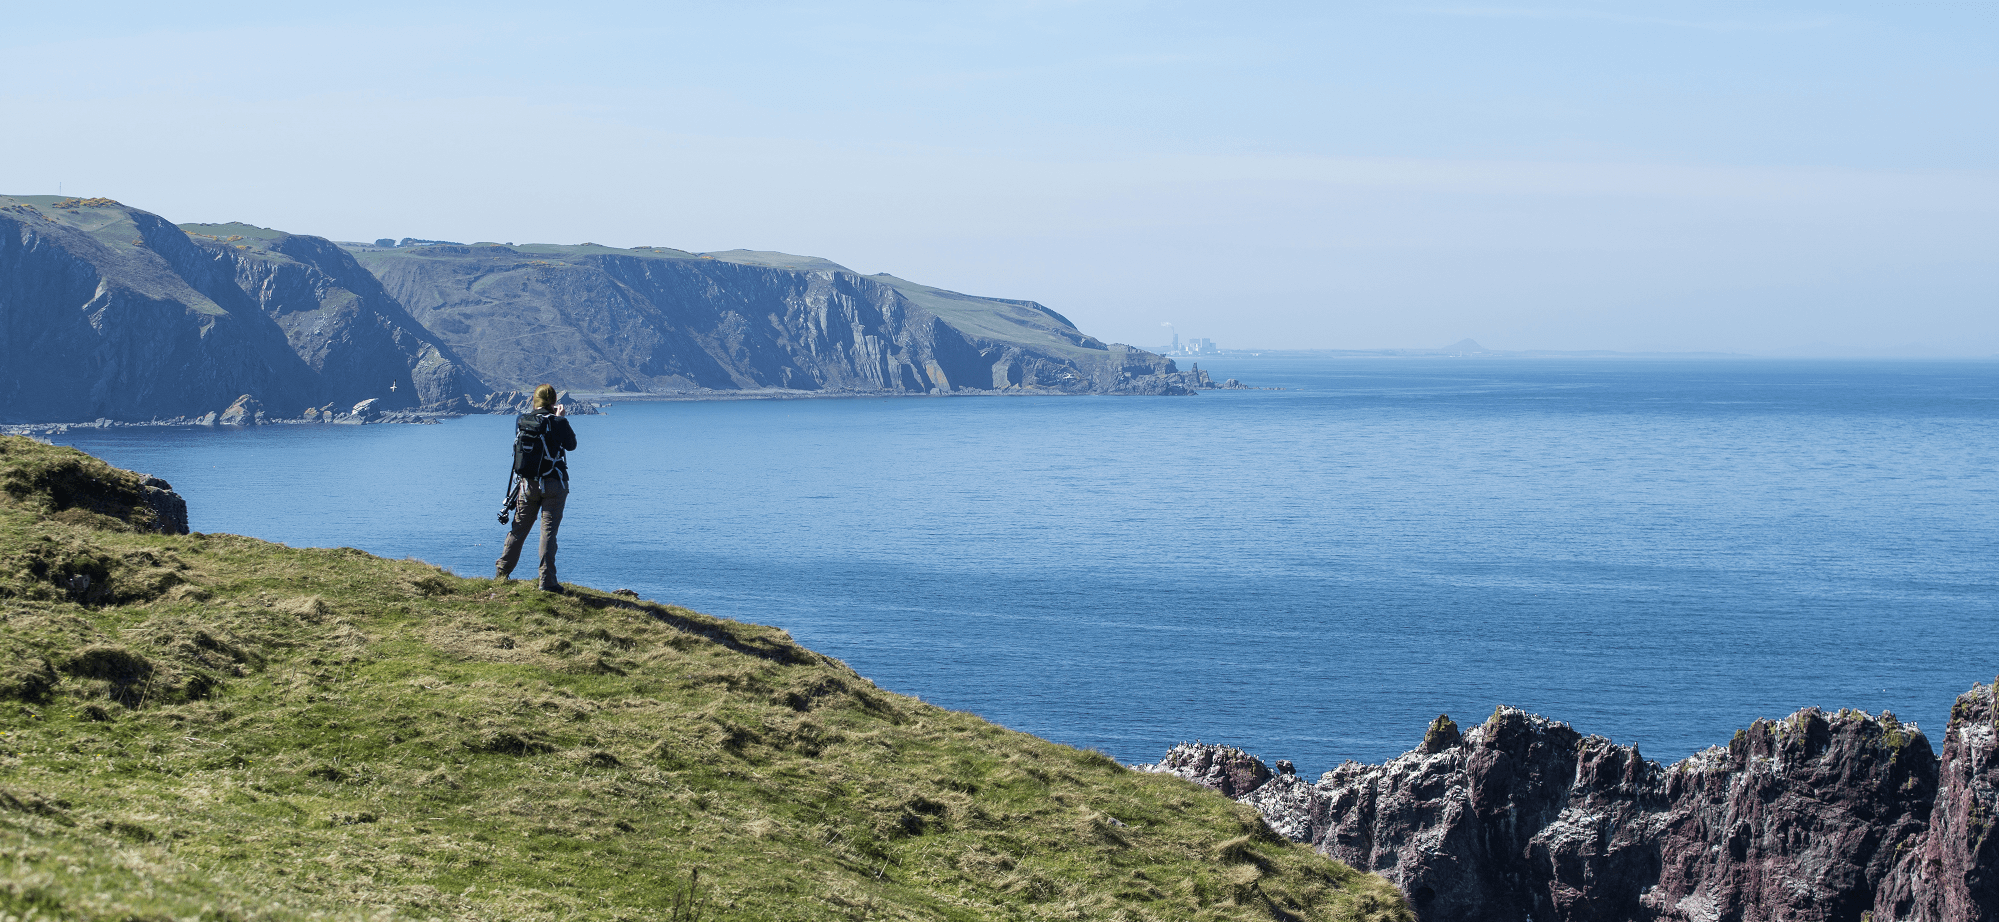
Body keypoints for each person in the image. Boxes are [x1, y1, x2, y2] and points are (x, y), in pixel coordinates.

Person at [496, 384, 578, 591]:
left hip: (527, 485)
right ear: (553, 402)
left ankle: (501, 573)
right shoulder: (558, 422)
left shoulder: (522, 420)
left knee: (519, 529)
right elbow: (571, 445)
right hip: (554, 484)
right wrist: (561, 418)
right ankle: (547, 582)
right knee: (548, 533)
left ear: (535, 400)